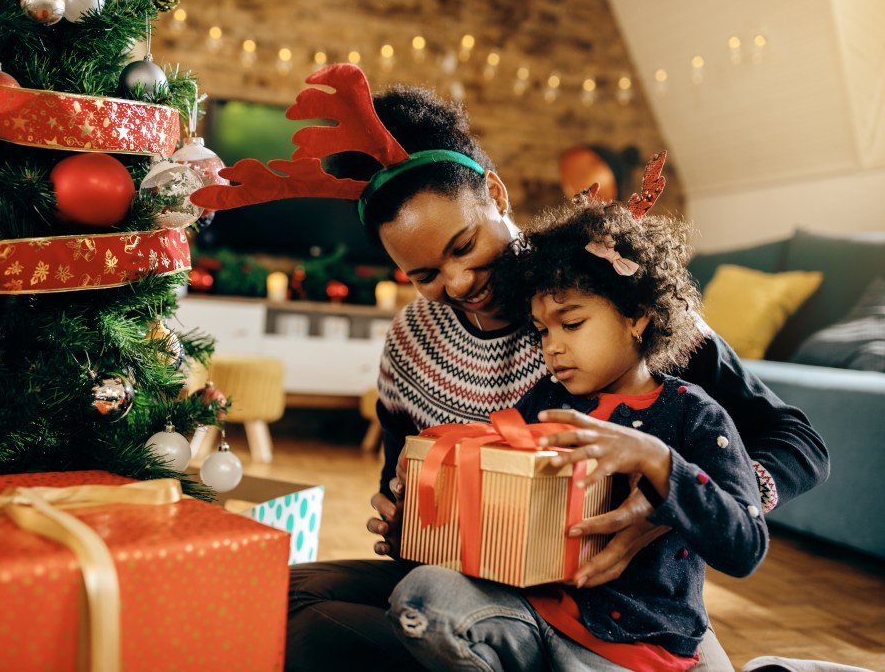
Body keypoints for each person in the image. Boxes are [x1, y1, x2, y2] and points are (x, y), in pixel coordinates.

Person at [191, 64, 828, 671]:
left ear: (495, 194)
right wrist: (403, 513)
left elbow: (798, 443)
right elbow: (401, 475)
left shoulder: (604, 298)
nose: (460, 280)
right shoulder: (413, 339)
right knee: (276, 599)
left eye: (464, 245)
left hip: (618, 614)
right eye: (425, 274)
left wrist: (665, 510)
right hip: (472, 587)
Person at [384, 182, 770, 670]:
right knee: (421, 598)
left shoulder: (696, 415)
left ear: (637, 317)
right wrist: (424, 507)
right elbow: (500, 496)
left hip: (633, 646)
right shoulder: (546, 399)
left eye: (572, 324)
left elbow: (745, 547)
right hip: (531, 612)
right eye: (543, 330)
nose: (552, 347)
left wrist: (659, 462)